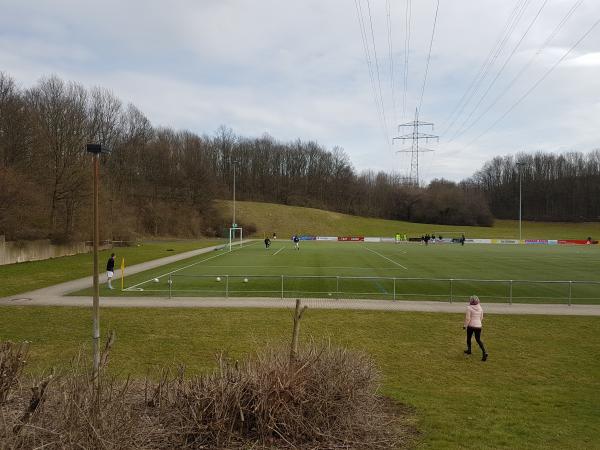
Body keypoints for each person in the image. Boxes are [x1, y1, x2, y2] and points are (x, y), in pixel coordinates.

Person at [463, 295, 488, 361]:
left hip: (471, 326)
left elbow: (468, 318)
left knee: (469, 338)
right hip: (478, 326)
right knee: (478, 340)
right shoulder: (480, 307)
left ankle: (469, 350)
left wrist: (465, 326)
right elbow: (481, 317)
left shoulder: (469, 308)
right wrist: (478, 323)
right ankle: (484, 352)